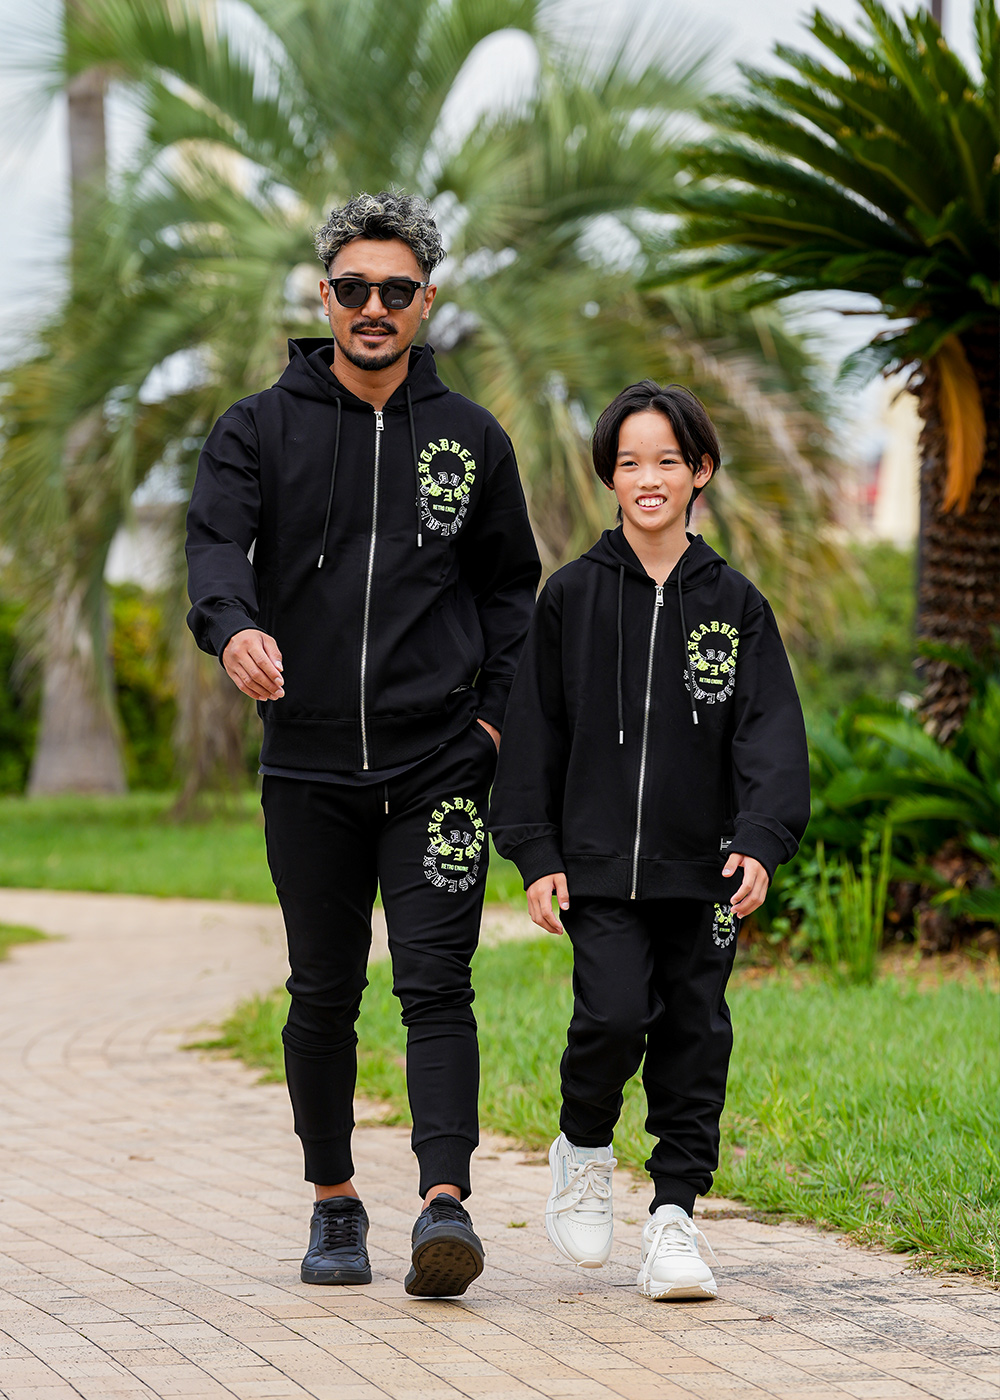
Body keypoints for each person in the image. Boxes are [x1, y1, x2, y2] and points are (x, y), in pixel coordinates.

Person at [186, 190, 540, 1297]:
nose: (372, 306)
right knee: (322, 990)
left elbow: (511, 593)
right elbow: (215, 547)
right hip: (307, 765)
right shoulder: (258, 428)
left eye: (395, 289)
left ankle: (445, 1205)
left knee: (437, 985)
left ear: (426, 300)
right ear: (323, 296)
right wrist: (233, 628)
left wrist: (490, 721)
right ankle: (335, 1203)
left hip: (440, 762)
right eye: (353, 288)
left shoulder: (472, 438)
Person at [490, 380, 809, 1300]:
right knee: (612, 1015)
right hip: (597, 868)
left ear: (700, 471)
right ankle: (584, 1148)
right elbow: (535, 730)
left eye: (667, 460)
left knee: (694, 1034)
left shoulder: (737, 604)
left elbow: (769, 733)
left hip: (704, 871)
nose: (649, 478)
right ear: (610, 478)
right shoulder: (572, 597)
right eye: (630, 462)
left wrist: (761, 836)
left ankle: (674, 1218)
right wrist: (536, 851)